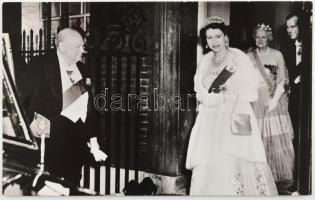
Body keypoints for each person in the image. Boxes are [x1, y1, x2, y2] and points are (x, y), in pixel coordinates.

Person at [185, 16, 278, 196]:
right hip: (209, 121)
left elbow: (252, 93)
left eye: (218, 36)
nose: (214, 41)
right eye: (210, 38)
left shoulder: (239, 58)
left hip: (232, 119)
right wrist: (206, 98)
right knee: (208, 164)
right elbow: (199, 88)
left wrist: (225, 97)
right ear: (205, 40)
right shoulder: (205, 61)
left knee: (231, 163)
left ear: (226, 37)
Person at [17, 28, 107, 188]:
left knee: (71, 189)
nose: (83, 51)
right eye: (78, 46)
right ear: (63, 46)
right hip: (48, 147)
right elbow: (19, 98)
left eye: (83, 46)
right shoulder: (40, 65)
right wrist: (30, 122)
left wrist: (93, 141)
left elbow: (87, 108)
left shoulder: (82, 69)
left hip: (75, 148)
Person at [247, 24, 295, 185]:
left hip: (274, 99)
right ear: (254, 38)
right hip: (255, 100)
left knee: (274, 137)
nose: (260, 40)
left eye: (263, 37)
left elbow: (283, 79)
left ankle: (276, 176)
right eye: (257, 37)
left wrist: (274, 101)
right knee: (258, 136)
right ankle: (259, 173)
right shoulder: (248, 56)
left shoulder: (277, 55)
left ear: (269, 38)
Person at [280, 12, 312, 194]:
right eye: (287, 27)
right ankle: (299, 182)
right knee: (297, 139)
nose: (289, 30)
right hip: (294, 100)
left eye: (293, 26)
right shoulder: (287, 46)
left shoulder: (310, 46)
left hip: (307, 100)